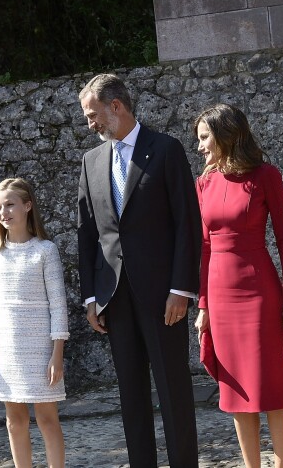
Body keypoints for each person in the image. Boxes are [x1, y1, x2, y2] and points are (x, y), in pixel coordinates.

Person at [77, 73, 201, 468]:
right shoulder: (91, 161)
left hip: (163, 296)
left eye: (93, 114)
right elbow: (88, 234)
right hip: (114, 298)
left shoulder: (165, 149)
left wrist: (181, 289)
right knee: (131, 397)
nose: (90, 123)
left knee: (174, 393)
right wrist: (91, 297)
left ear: (116, 106)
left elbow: (187, 223)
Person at [193, 104, 283, 468]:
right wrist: (204, 304)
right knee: (236, 387)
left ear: (226, 135)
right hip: (220, 295)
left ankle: (282, 464)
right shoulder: (203, 183)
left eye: (204, 137)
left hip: (260, 289)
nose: (200, 146)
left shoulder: (265, 175)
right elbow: (204, 247)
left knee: (272, 383)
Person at [0, 178, 69, 468]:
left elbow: (58, 305)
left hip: (41, 351)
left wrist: (57, 355)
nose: (4, 212)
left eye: (10, 204)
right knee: (14, 421)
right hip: (7, 351)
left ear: (27, 206)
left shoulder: (46, 250)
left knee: (47, 418)